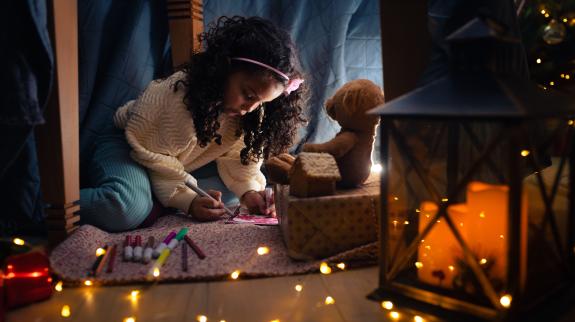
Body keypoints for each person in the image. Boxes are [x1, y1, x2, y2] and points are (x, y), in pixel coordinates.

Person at [79, 16, 307, 232]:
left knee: (225, 195)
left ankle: (156, 198)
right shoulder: (176, 97)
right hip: (131, 147)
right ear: (225, 68)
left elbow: (239, 158)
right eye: (248, 95)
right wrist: (188, 201)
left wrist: (249, 192)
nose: (251, 108)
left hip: (179, 161)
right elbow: (155, 156)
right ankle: (53, 203)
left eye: (261, 102)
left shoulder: (248, 111)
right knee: (125, 208)